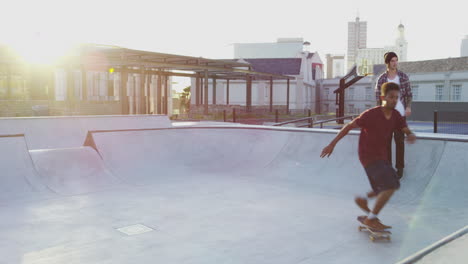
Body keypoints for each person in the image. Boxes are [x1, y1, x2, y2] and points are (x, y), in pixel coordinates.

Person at [320, 82, 416, 230]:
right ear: (383, 97)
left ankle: (363, 201)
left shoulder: (396, 115)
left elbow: (403, 126)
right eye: (391, 97)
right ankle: (371, 219)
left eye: (397, 97)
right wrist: (332, 144)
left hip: (382, 156)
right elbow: (349, 126)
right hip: (368, 155)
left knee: (384, 186)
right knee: (391, 185)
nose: (394, 100)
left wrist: (409, 134)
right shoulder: (371, 114)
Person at [375, 52, 413, 179]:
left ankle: (400, 168)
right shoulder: (381, 79)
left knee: (399, 142)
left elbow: (409, 94)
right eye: (392, 61)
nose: (395, 63)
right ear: (388, 63)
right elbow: (377, 98)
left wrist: (408, 106)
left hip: (400, 115)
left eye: (396, 60)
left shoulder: (403, 76)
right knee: (386, 143)